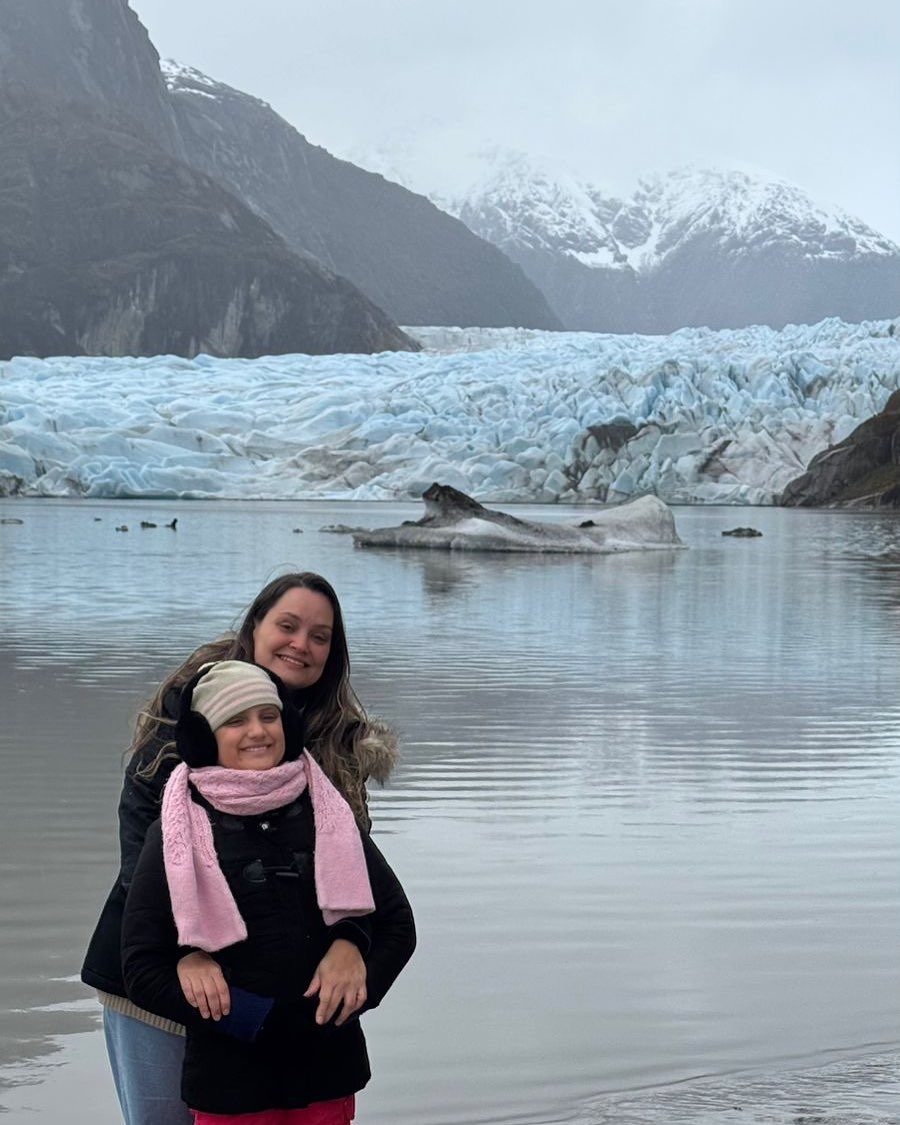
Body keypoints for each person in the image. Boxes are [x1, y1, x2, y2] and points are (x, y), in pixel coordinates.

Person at [82, 573, 399, 1125]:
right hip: (162, 983)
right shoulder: (186, 725)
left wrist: (350, 943)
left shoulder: (333, 748)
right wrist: (189, 950)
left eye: (320, 636)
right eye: (288, 625)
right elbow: (144, 855)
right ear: (255, 627)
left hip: (271, 1009)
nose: (301, 644)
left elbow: (357, 885)